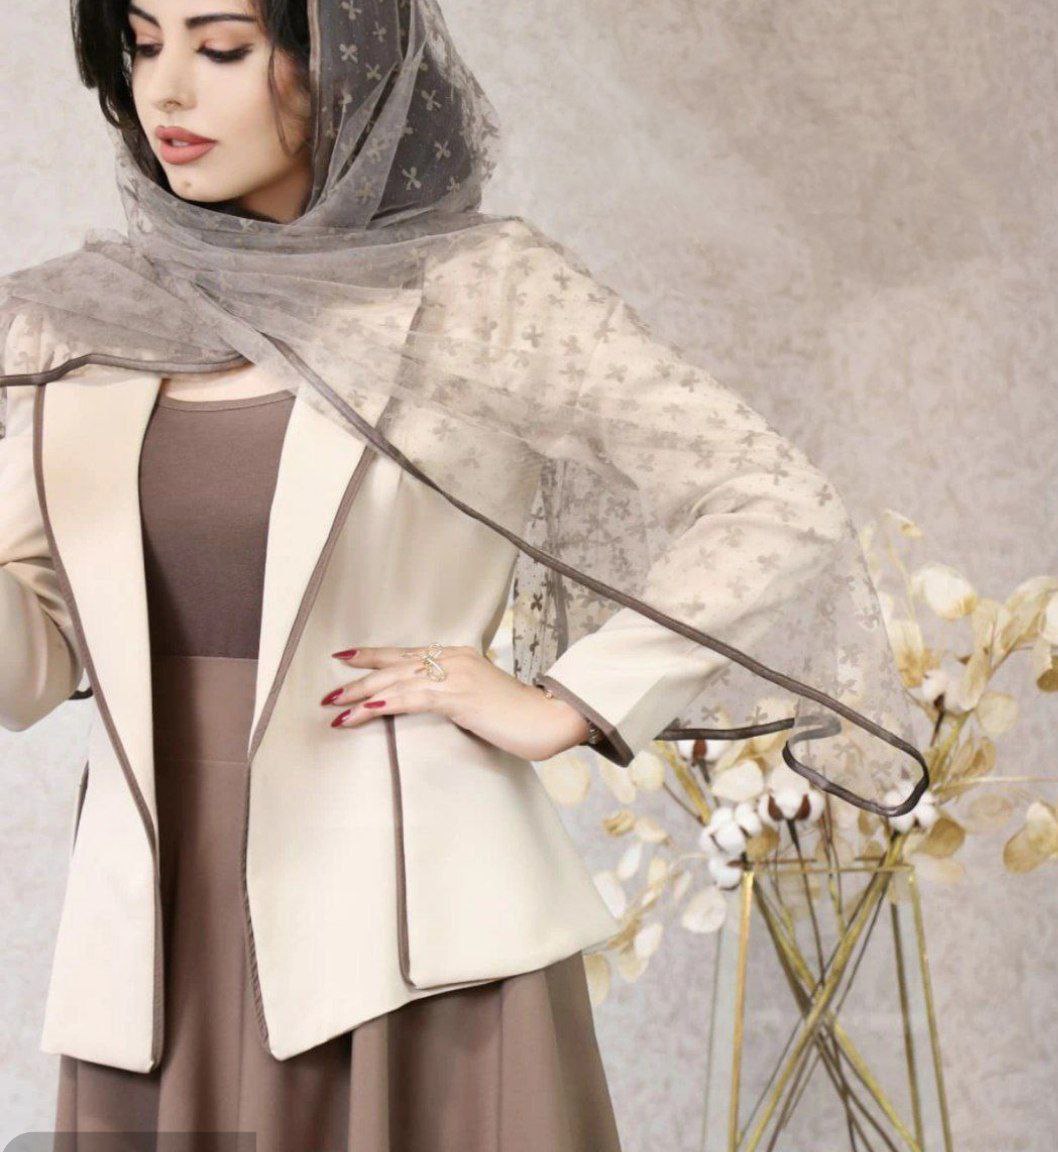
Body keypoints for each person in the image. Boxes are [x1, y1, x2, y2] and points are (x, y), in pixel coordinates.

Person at [0, 0, 928, 1147]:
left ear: (338, 57)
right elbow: (33, 667)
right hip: (155, 942)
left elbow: (772, 499)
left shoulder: (480, 295)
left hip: (411, 945)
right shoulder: (69, 326)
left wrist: (568, 704)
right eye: (143, 45)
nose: (167, 91)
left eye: (221, 46)